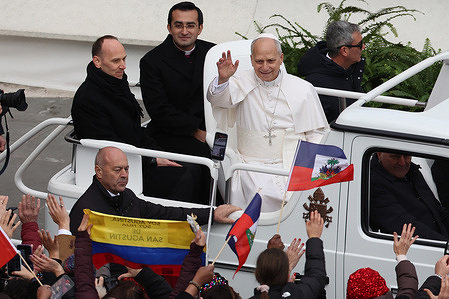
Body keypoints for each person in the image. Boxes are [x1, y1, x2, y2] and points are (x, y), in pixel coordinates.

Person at [207, 33, 328, 212]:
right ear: (251, 60)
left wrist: (312, 166)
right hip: (251, 165)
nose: (265, 67)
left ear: (281, 58)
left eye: (270, 61)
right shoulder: (240, 82)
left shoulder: (302, 89)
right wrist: (223, 79)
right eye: (259, 61)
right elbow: (218, 99)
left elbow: (316, 134)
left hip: (294, 163)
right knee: (261, 197)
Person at [71, 35, 197, 203]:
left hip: (134, 154)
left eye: (124, 59)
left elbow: (133, 129)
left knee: (194, 164)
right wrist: (152, 159)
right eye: (116, 61)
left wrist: (157, 152)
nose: (123, 66)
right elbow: (108, 147)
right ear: (97, 61)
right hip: (120, 167)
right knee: (184, 176)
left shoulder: (115, 83)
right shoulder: (88, 99)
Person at [139, 2, 215, 204]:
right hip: (172, 134)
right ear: (169, 27)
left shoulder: (213, 53)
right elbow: (160, 110)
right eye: (178, 25)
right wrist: (196, 131)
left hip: (211, 130)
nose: (184, 31)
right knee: (207, 163)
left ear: (200, 28)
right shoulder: (152, 61)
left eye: (190, 25)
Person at [69, 146, 240, 234]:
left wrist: (212, 214)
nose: (124, 175)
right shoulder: (83, 211)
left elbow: (166, 213)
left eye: (126, 169)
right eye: (117, 170)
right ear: (99, 171)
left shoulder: (127, 196)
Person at [297, 20, 366, 123]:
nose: (364, 47)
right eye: (360, 44)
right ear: (344, 51)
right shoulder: (316, 85)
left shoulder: (350, 71)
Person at [370, 152, 449, 240]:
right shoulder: (372, 183)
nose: (402, 162)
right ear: (379, 154)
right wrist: (445, 244)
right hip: (415, 248)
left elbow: (438, 211)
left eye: (407, 156)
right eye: (395, 156)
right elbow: (407, 228)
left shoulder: (412, 172)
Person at [249, 210, 326, 298]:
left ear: (257, 275)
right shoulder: (296, 295)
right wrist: (314, 238)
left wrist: (274, 257)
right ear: (287, 275)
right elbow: (316, 277)